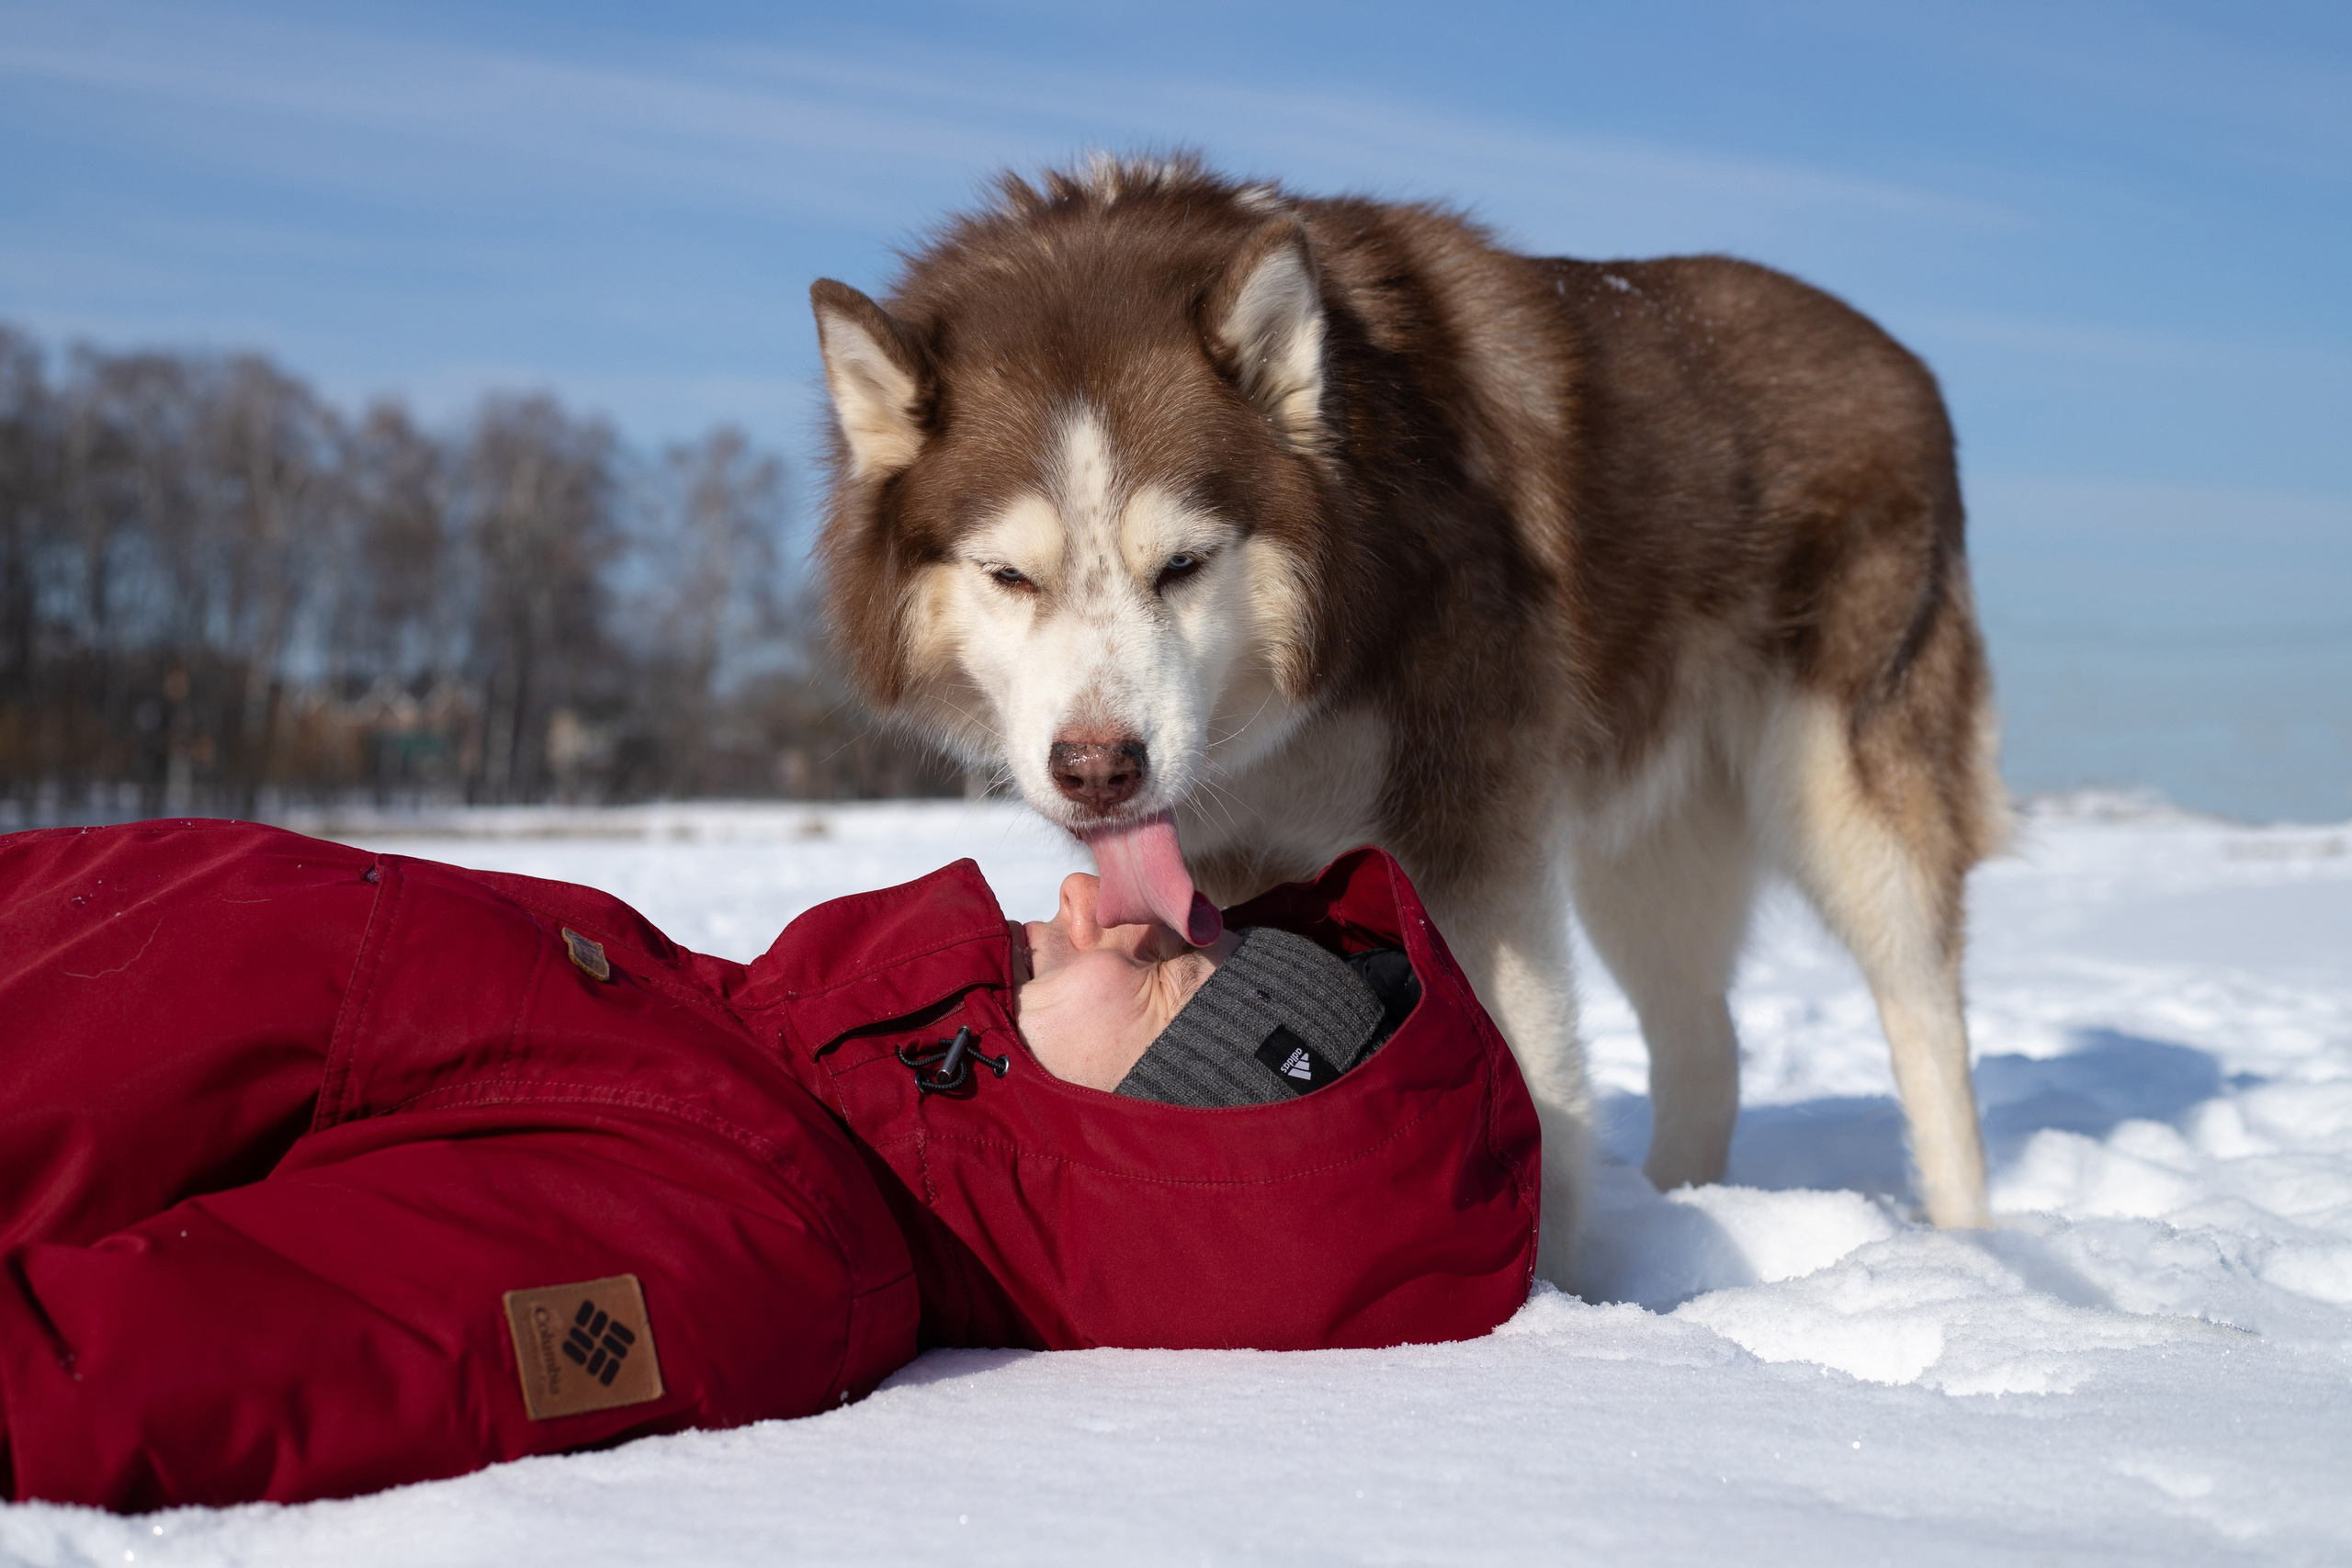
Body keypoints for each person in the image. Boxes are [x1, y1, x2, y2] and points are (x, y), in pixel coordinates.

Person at [0, 818, 1539, 1511]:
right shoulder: (752, 1067)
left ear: (1153, 1148)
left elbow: (144, 1376)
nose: (1101, 901)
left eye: (1168, 978)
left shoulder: (747, 1242)